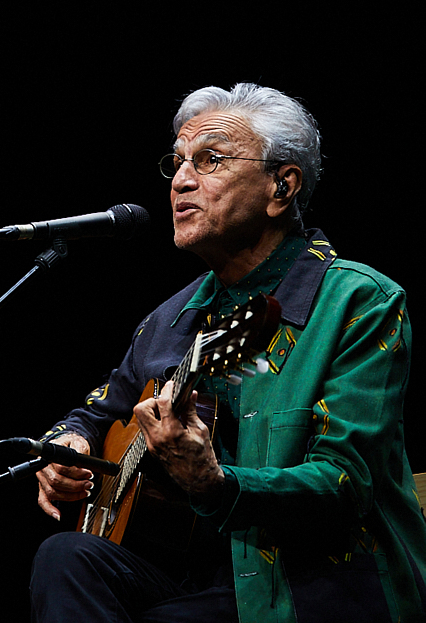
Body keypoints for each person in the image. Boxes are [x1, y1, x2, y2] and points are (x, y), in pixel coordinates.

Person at [29, 83, 426, 622]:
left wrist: (215, 485)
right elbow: (97, 411)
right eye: (177, 162)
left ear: (281, 187)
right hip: (196, 579)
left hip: (311, 587)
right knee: (65, 556)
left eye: (210, 160)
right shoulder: (168, 321)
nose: (181, 180)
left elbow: (345, 482)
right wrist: (66, 446)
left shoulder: (360, 301)